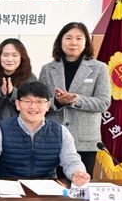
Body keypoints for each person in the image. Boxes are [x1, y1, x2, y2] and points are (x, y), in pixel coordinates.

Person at [0, 81, 91, 186]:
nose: (33, 106)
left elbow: (71, 161)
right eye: (27, 101)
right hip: (7, 188)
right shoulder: (1, 128)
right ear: (18, 104)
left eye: (39, 101)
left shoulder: (61, 131)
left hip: (45, 190)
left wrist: (77, 173)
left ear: (48, 105)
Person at [38, 22, 111, 177]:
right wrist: (57, 102)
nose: (73, 43)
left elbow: (104, 102)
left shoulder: (99, 68)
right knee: (51, 184)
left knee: (80, 183)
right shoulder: (47, 69)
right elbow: (39, 102)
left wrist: (75, 100)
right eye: (68, 38)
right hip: (53, 136)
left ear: (86, 42)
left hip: (84, 140)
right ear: (60, 41)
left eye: (79, 38)